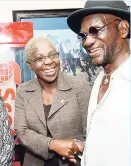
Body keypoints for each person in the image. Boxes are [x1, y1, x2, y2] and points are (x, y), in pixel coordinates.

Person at [67, 0, 131, 166]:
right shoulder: (99, 80)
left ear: (123, 29)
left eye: (95, 30)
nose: (87, 42)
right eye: (83, 35)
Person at [14, 36, 91, 166]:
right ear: (30, 65)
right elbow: (21, 132)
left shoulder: (79, 85)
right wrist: (52, 144)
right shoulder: (23, 91)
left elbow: (91, 131)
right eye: (39, 58)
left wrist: (77, 149)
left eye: (52, 55)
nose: (49, 61)